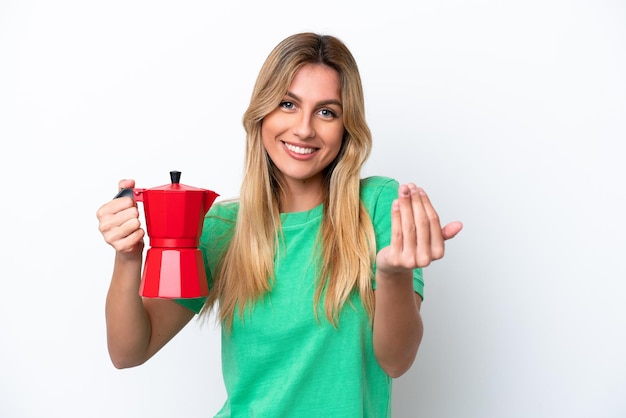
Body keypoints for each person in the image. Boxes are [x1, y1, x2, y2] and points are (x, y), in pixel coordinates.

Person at [96, 32, 463, 417]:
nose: (304, 129)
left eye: (326, 112)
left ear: (346, 127)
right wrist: (128, 256)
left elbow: (395, 361)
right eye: (288, 104)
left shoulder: (378, 205)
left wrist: (391, 275)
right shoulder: (224, 228)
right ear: (262, 114)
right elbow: (128, 352)